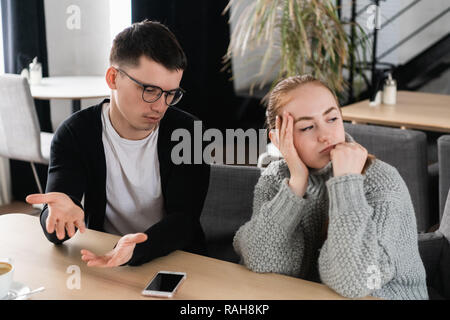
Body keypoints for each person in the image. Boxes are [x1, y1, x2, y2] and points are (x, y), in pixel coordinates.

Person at [26, 20, 210, 267]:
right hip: (103, 259)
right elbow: (58, 220)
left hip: (177, 259)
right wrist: (55, 217)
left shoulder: (191, 133)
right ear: (113, 78)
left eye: (170, 94)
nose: (160, 106)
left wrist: (135, 249)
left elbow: (185, 222)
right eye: (150, 90)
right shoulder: (75, 134)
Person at [233, 75, 428, 300]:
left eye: (332, 119)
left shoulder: (381, 181)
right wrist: (296, 182)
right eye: (307, 127)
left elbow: (354, 282)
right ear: (279, 139)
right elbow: (262, 260)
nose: (325, 136)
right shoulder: (276, 179)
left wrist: (346, 184)